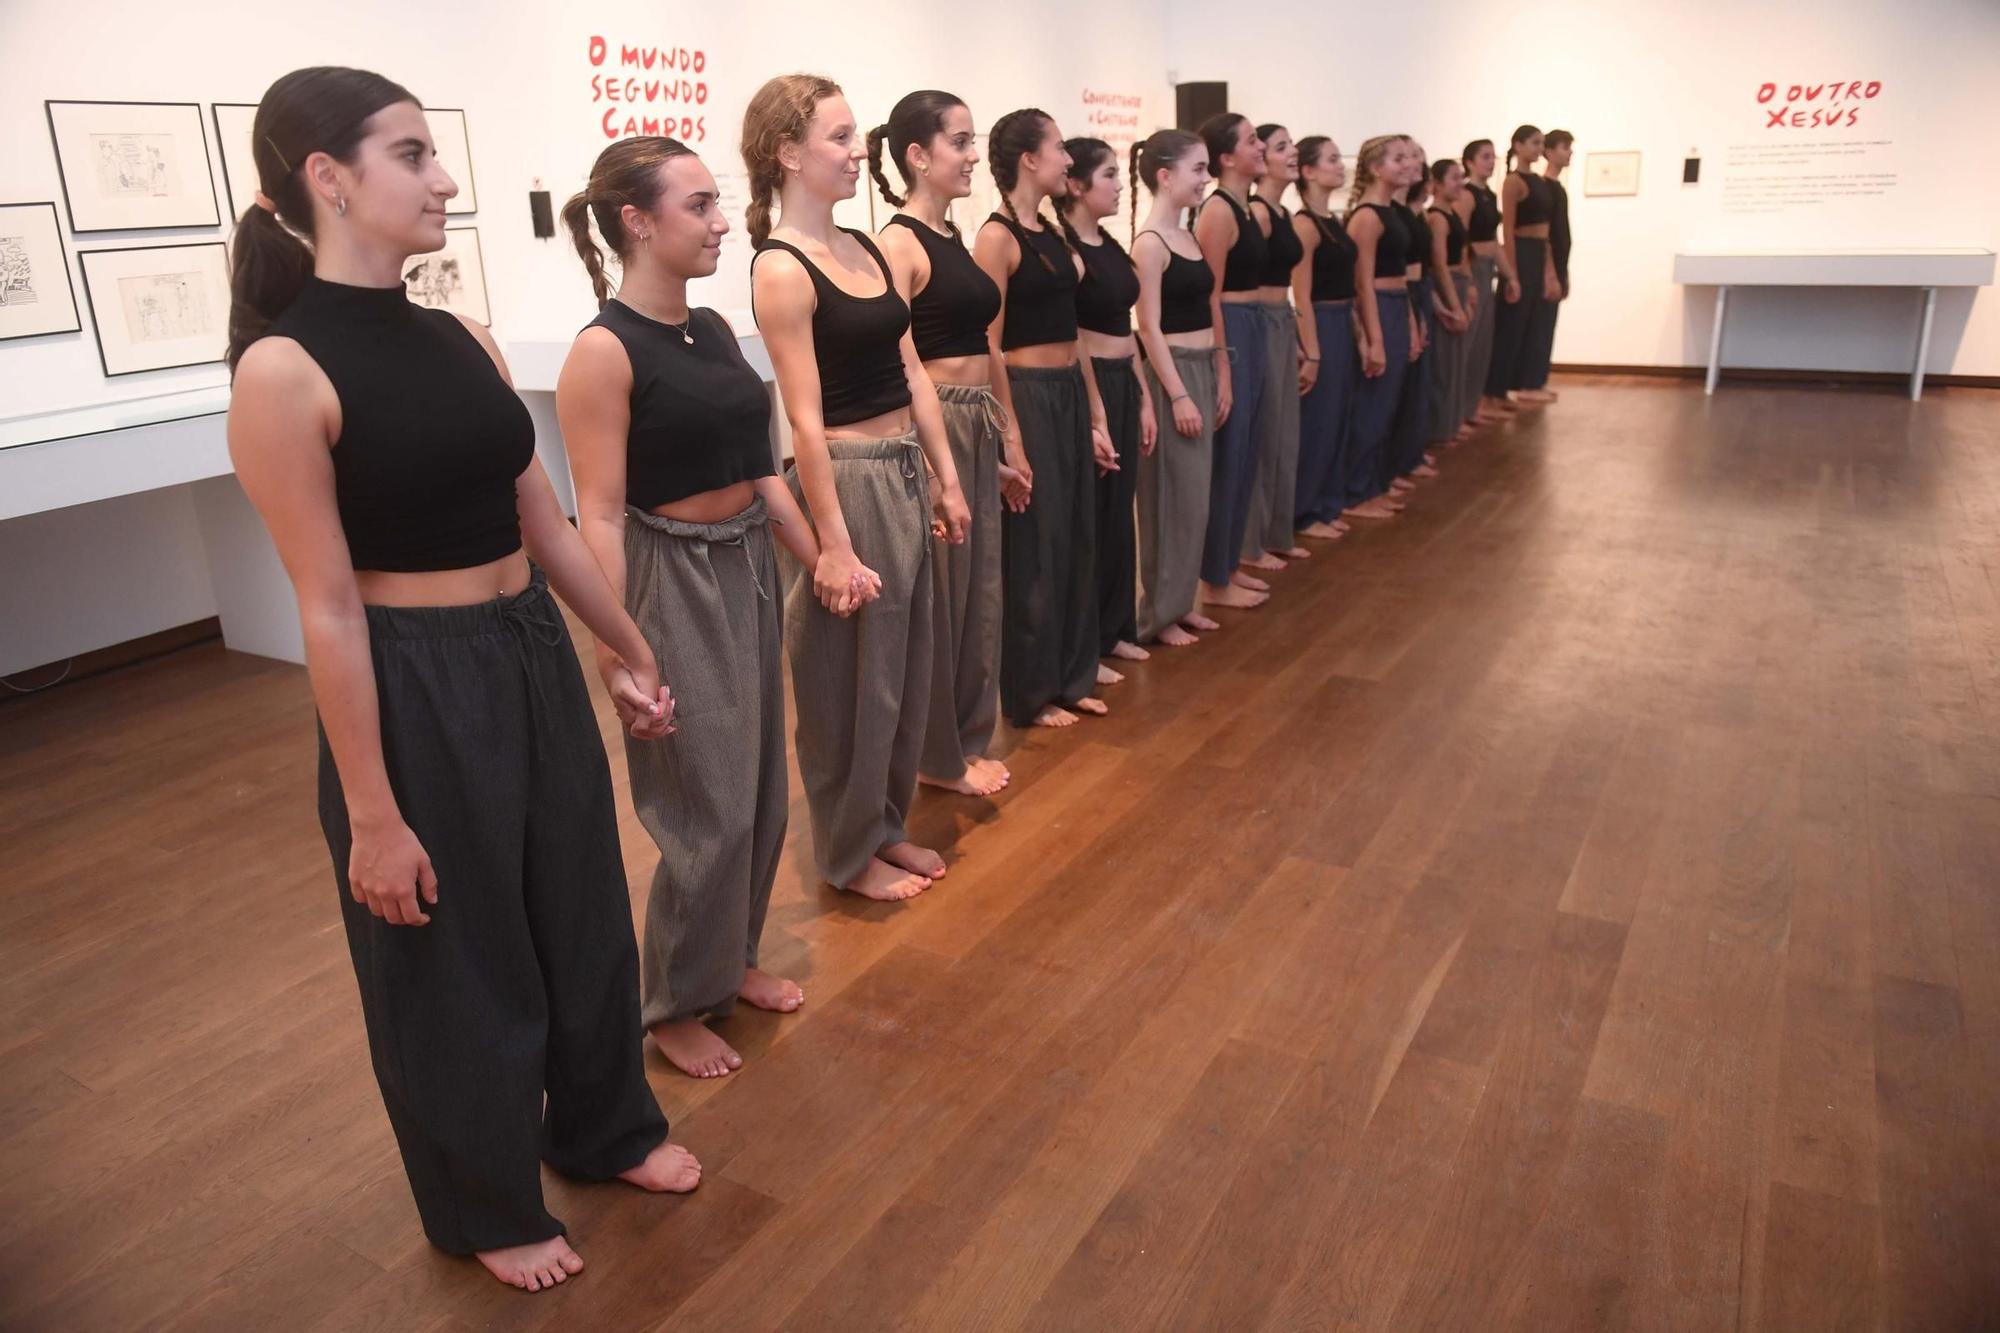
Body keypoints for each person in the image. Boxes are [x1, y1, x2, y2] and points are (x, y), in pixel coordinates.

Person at [225, 65, 698, 1295]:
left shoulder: (460, 333)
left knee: (580, 908)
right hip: (412, 678)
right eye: (412, 154)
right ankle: (483, 1197)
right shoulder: (281, 372)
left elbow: (539, 520)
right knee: (453, 952)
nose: (443, 179)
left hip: (527, 646)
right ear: (328, 179)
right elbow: (325, 604)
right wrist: (374, 817)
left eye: (436, 153)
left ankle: (605, 1128)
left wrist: (625, 646)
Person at [558, 136, 812, 1079]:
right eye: (700, 206)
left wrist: (823, 559)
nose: (719, 224)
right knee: (701, 803)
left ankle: (729, 959)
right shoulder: (604, 351)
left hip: (744, 561)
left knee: (757, 788)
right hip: (670, 576)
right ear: (637, 220)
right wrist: (618, 646)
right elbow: (603, 515)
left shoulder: (711, 331)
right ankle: (672, 1003)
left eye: (718, 205)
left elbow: (759, 468)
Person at [744, 73, 971, 902]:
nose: (856, 151)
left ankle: (885, 824)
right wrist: (832, 543)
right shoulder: (781, 268)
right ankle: (847, 850)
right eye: (839, 138)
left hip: (904, 467)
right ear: (787, 152)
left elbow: (910, 370)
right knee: (851, 680)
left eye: (855, 136)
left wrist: (946, 477)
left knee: (907, 667)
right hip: (844, 479)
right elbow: (801, 422)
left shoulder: (867, 247)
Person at [869, 90, 1012, 798]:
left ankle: (964, 737)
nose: (972, 155)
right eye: (959, 141)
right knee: (945, 596)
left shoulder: (951, 238)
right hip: (940, 423)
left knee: (978, 588)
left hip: (974, 416)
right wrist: (930, 461)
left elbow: (986, 343)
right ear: (917, 156)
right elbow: (896, 360)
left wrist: (1005, 432)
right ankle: (938, 752)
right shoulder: (896, 243)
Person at [974, 107, 1116, 728]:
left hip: (1067, 389)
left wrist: (1097, 411)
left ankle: (1072, 674)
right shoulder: (996, 237)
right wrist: (1012, 434)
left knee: (1079, 534)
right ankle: (1031, 691)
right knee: (1036, 543)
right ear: (1029, 160)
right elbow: (989, 343)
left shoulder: (1054, 233)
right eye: (1058, 148)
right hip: (1026, 392)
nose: (1067, 159)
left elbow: (1075, 334)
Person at [1058, 135, 1154, 669]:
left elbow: (1127, 327)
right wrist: (1096, 402)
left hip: (1124, 379)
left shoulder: (1111, 245)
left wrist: (1140, 396)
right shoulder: (1066, 249)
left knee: (1120, 513)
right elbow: (1073, 333)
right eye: (1110, 176)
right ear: (1076, 184)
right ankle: (1088, 640)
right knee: (1092, 517)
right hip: (1091, 384)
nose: (1120, 186)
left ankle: (1117, 626)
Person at [1128, 129, 1220, 647]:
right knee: (1169, 495)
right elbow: (1149, 326)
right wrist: (1179, 393)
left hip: (1201, 365)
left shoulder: (1186, 236)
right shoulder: (1150, 244)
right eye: (1198, 169)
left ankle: (1181, 604)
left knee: (1194, 498)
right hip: (1175, 375)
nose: (1206, 179)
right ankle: (1159, 613)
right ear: (1165, 176)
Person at [1192, 112, 1273, 610]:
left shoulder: (1245, 207)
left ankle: (1231, 564)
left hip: (1255, 325)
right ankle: (1213, 577)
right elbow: (1212, 295)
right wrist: (1223, 362)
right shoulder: (1219, 211)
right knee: (1230, 454)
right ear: (1226, 157)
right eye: (1251, 140)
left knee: (1246, 452)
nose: (1260, 146)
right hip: (1234, 331)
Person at [1341, 134, 1420, 521]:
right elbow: (1363, 283)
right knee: (1371, 407)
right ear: (1375, 169)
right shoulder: (1367, 216)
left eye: (1409, 158)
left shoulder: (1390, 212)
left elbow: (1399, 278)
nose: (1408, 165)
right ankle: (1357, 492)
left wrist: (1409, 322)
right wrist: (1374, 337)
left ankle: (1374, 485)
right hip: (1378, 309)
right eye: (1398, 159)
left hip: (1396, 305)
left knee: (1388, 405)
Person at [1242, 123, 1310, 570]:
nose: (1293, 154)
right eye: (1282, 147)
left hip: (1280, 320)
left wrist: (1297, 333)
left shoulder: (1281, 214)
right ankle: (1251, 543)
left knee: (1284, 432)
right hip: (1260, 322)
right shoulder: (1257, 213)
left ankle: (1274, 532)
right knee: (1262, 433)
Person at [1288, 135, 1358, 541]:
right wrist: (1312, 349)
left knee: (1337, 417)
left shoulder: (1333, 220)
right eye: (1331, 159)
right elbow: (1302, 295)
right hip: (1322, 324)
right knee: (1319, 420)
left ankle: (1328, 502)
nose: (1340, 165)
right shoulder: (1304, 225)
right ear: (1309, 171)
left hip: (1342, 320)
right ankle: (1306, 510)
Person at [1484, 124, 1559, 404]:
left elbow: (1547, 231)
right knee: (1512, 323)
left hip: (1538, 251)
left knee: (1534, 321)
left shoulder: (1539, 182)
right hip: (1522, 251)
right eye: (1535, 143)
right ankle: (1496, 390)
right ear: (1518, 146)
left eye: (1541, 144)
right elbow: (1509, 228)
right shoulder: (1513, 182)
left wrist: (1549, 269)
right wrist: (1512, 271)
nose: (1539, 149)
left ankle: (1526, 382)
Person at [1459, 138, 1516, 425]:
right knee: (1468, 343)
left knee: (1482, 343)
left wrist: (1510, 275)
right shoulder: (1466, 195)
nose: (1490, 162)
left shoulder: (1489, 196)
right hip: (1471, 270)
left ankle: (1472, 407)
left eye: (1492, 157)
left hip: (1486, 270)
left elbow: (1494, 242)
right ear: (1469, 162)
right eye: (1484, 157)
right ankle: (1457, 413)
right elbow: (1460, 240)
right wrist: (1468, 278)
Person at [1423, 157, 1475, 448]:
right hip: (1446, 286)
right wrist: (1453, 304)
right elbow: (1439, 265)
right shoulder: (1437, 218)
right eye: (1454, 178)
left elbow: (1462, 256)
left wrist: (1468, 290)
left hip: (1458, 283)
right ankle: (1440, 428)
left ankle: (1452, 422)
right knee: (1442, 362)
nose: (1460, 183)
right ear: (1437, 184)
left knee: (1456, 360)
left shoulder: (1451, 214)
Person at [1520, 128, 1573, 402]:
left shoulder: (1555, 188)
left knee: (1546, 323)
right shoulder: (1544, 188)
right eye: (1564, 147)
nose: (1569, 153)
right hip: (1545, 264)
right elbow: (1547, 234)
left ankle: (1537, 380)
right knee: (1539, 324)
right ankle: (1530, 382)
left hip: (1556, 263)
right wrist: (1551, 270)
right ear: (1549, 153)